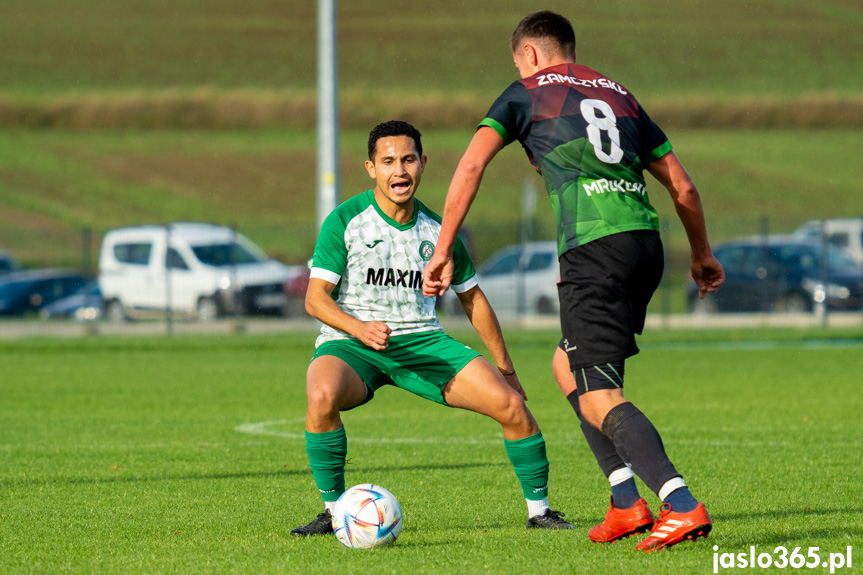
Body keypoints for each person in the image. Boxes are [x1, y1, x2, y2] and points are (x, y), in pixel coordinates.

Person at [423, 12, 725, 552]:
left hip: (594, 250)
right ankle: (625, 501)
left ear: (531, 55)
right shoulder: (621, 95)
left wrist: (443, 249)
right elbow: (684, 187)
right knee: (568, 364)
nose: (519, 69)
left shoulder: (525, 93)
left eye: (517, 61)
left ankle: (680, 504)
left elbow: (469, 168)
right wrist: (701, 254)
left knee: (599, 395)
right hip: (644, 244)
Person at [290, 120, 575, 537]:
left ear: (422, 164)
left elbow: (473, 299)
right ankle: (333, 513)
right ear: (371, 168)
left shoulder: (440, 231)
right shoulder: (346, 220)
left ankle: (540, 512)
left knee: (513, 408)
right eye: (387, 161)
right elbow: (315, 299)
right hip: (351, 344)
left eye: (407, 160)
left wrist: (507, 369)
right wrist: (359, 328)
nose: (399, 171)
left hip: (423, 340)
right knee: (321, 394)